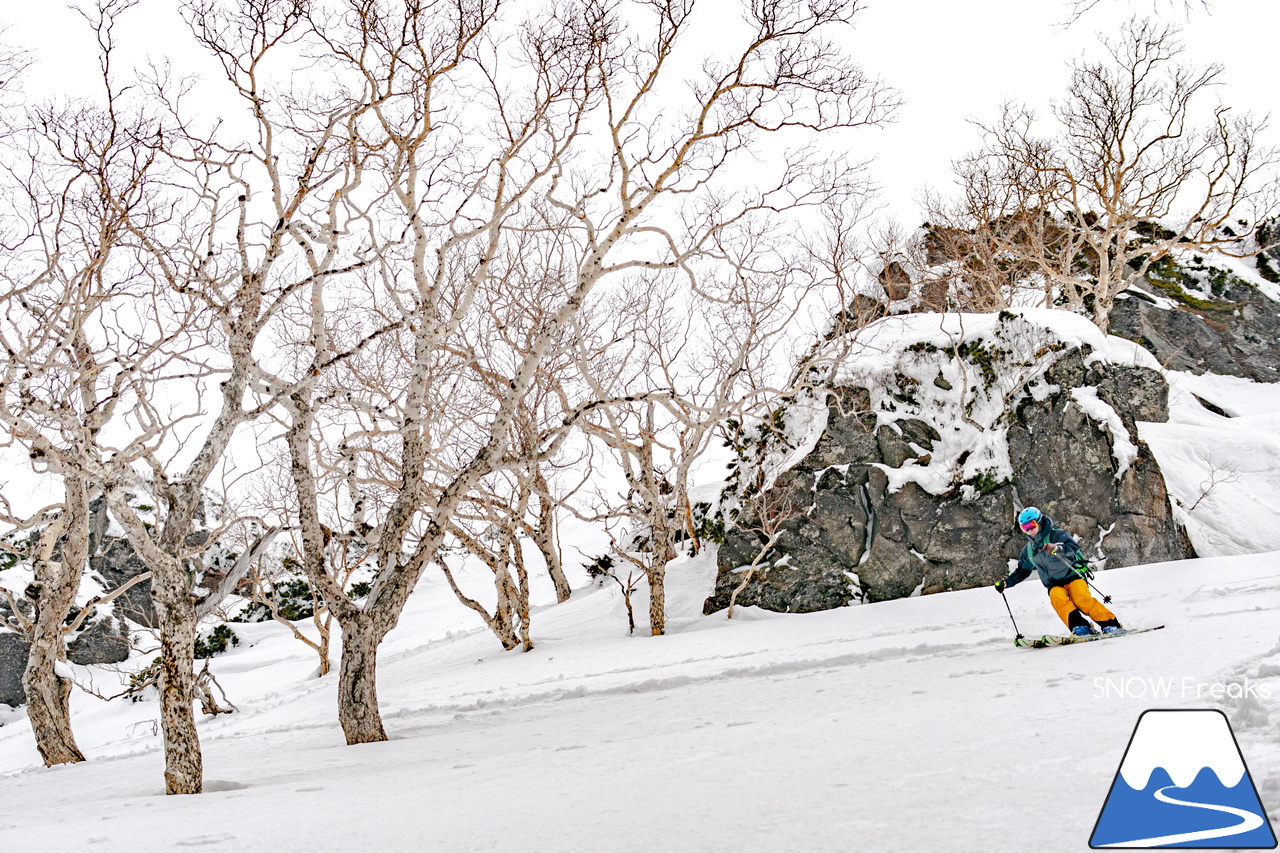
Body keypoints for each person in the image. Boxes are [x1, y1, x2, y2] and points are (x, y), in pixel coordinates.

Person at [995, 506, 1124, 637]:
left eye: (1032, 525)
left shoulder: (1057, 534)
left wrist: (1058, 548)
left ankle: (1111, 624)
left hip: (1073, 577)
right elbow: (1022, 571)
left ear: (1039, 521)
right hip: (1054, 584)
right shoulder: (1029, 550)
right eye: (1025, 528)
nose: (1030, 530)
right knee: (1058, 599)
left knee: (1081, 599)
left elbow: (1073, 547)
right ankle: (1081, 628)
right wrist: (1006, 583)